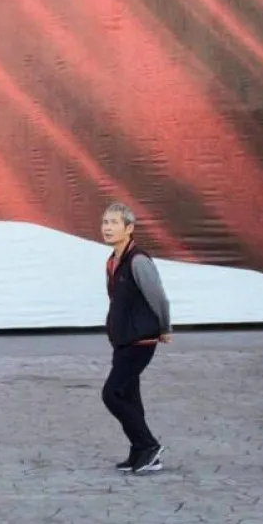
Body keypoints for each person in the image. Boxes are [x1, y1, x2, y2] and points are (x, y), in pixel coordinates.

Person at [100, 202, 172, 474]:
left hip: (140, 340)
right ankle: (140, 452)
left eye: (114, 223)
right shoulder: (112, 261)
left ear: (129, 228)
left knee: (112, 394)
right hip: (122, 340)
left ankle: (149, 444)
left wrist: (165, 328)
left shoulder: (138, 261)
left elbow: (159, 297)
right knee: (130, 397)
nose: (107, 227)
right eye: (105, 222)